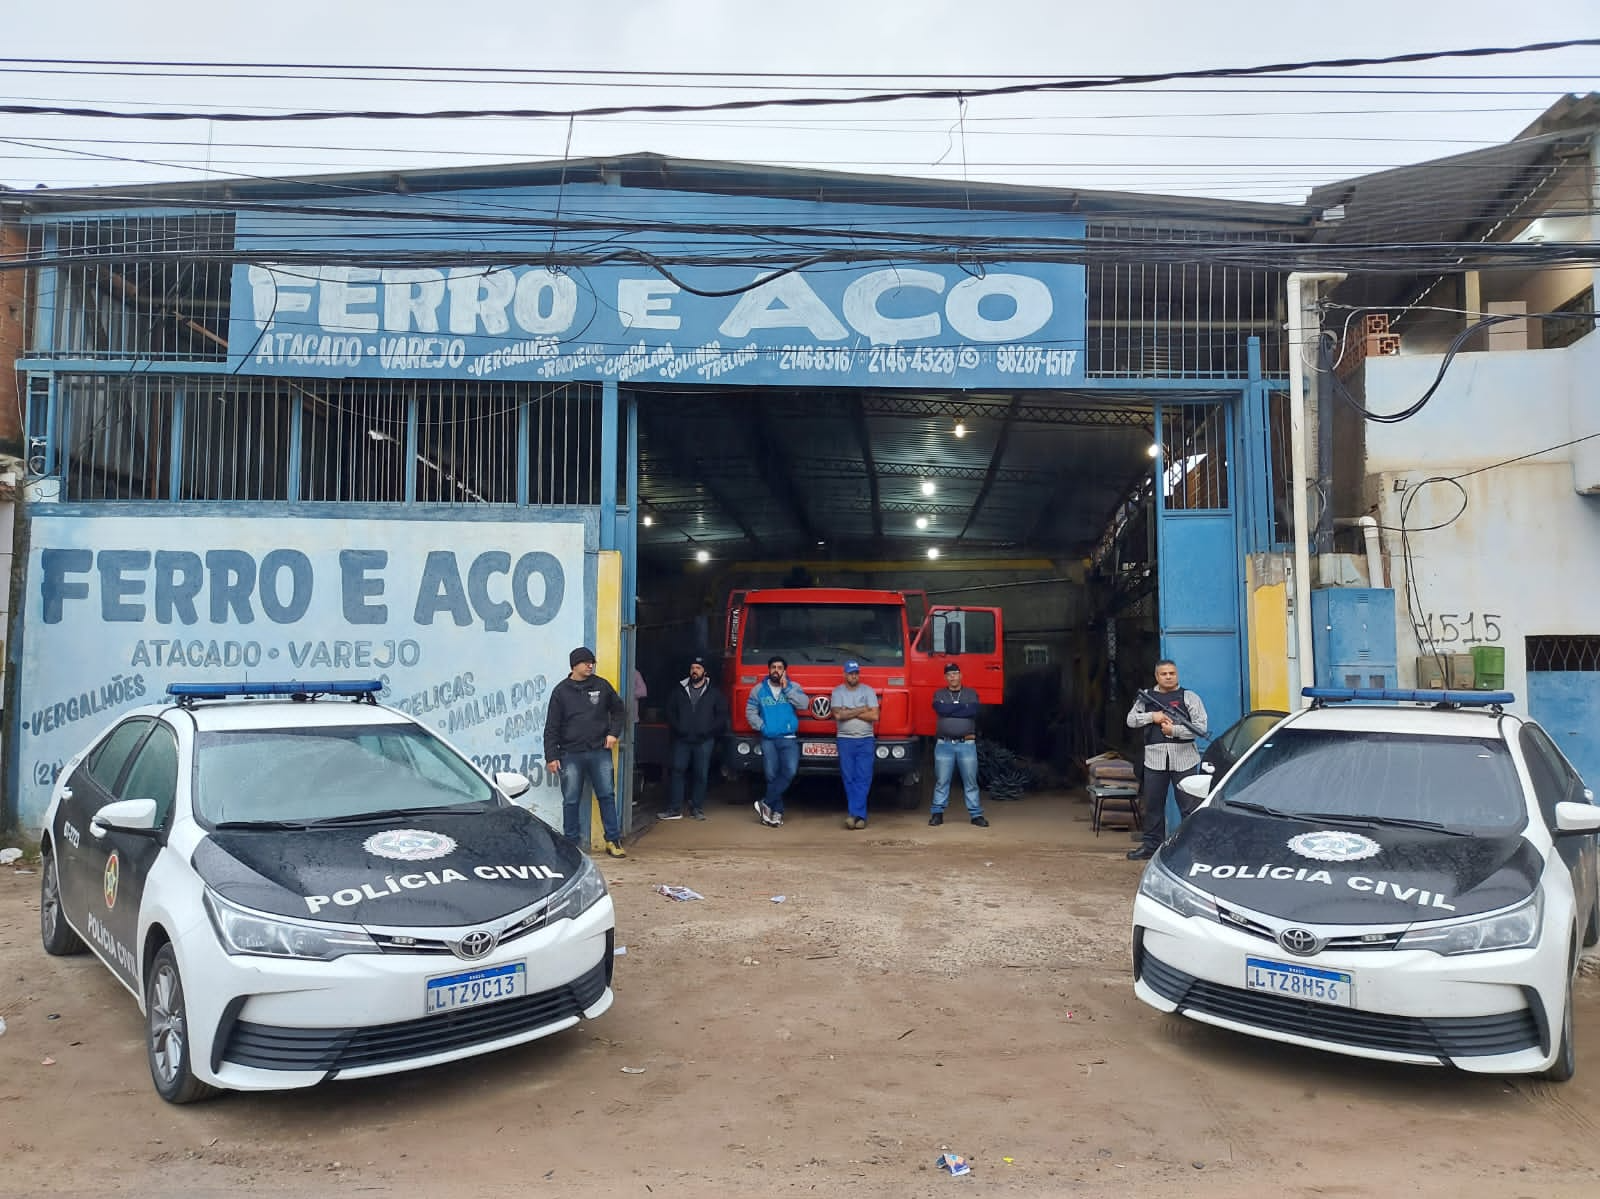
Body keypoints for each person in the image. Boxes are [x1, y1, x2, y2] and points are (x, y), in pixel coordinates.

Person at [544, 646, 628, 858]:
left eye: (592, 662)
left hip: (599, 751)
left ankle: (613, 840)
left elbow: (619, 711)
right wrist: (551, 756)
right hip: (570, 754)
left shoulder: (601, 686)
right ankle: (572, 843)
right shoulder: (561, 691)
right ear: (574, 665)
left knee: (607, 795)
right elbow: (552, 726)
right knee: (571, 799)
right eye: (585, 662)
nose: (590, 665)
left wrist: (613, 733)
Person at [1125, 659, 1209, 861]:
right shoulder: (1146, 699)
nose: (1168, 677)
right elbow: (1130, 720)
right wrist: (1152, 717)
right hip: (1155, 759)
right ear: (1157, 676)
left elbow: (1201, 728)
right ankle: (1151, 846)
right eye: (1164, 674)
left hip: (1184, 759)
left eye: (1172, 673)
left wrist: (1175, 730)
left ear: (1177, 674)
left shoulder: (1189, 697)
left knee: (1189, 807)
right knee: (1153, 805)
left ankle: (1193, 847)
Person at [744, 655, 808, 828]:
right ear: (769, 670)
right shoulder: (758, 689)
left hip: (788, 738)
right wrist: (763, 727)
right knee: (771, 775)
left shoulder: (794, 687)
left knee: (790, 772)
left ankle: (765, 802)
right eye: (773, 667)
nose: (776, 670)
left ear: (784, 671)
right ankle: (776, 813)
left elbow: (804, 704)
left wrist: (787, 690)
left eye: (780, 668)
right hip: (768, 739)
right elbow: (750, 711)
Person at [661, 655, 727, 821]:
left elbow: (721, 716)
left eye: (698, 668)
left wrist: (709, 731)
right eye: (692, 668)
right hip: (682, 739)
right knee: (677, 771)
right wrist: (678, 728)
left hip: (704, 740)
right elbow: (669, 712)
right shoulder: (679, 690)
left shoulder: (715, 693)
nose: (694, 671)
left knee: (701, 774)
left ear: (705, 671)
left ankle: (697, 808)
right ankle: (674, 809)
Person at [928, 662, 988, 827]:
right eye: (949, 674)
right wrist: (962, 708)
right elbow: (940, 709)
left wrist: (950, 709)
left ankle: (976, 815)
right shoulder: (939, 693)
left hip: (966, 743)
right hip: (944, 744)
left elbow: (973, 711)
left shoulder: (970, 693)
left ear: (961, 675)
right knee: (942, 780)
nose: (952, 677)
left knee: (970, 781)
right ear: (945, 677)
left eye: (955, 673)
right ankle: (937, 813)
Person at [830, 660, 879, 830]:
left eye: (856, 673)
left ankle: (855, 815)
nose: (854, 676)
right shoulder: (837, 692)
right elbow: (838, 715)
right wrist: (861, 710)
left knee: (863, 778)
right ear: (845, 674)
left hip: (866, 739)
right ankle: (859, 816)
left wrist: (849, 711)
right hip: (845, 740)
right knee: (849, 777)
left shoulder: (868, 691)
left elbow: (874, 716)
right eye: (851, 673)